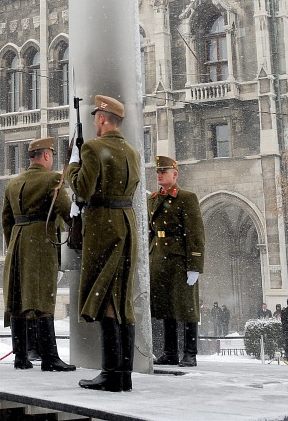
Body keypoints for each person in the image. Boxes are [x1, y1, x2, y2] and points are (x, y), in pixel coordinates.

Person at [67, 94, 140, 393]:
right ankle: (124, 373)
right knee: (122, 296)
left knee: (105, 294)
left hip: (103, 226)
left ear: (101, 119)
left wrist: (74, 165)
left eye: (96, 117)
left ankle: (111, 373)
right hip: (126, 222)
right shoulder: (132, 152)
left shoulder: (95, 149)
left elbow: (83, 189)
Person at [1, 136, 75, 371]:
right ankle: (49, 357)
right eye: (51, 155)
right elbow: (65, 211)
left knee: (18, 299)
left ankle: (20, 357)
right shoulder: (52, 179)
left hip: (16, 242)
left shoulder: (13, 183)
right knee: (43, 299)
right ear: (46, 155)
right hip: (40, 243)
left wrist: (14, 244)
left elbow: (6, 220)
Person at [148, 155, 205, 367]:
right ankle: (170, 351)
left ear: (175, 174)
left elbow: (196, 234)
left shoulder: (186, 198)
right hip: (159, 259)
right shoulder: (153, 198)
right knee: (165, 307)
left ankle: (190, 353)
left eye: (164, 171)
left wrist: (195, 265)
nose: (160, 175)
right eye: (158, 172)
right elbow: (150, 232)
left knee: (187, 307)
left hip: (180, 260)